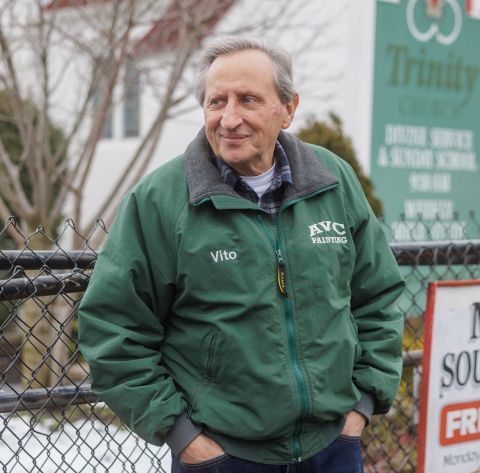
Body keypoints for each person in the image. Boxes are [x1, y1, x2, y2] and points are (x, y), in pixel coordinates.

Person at [78, 37, 405, 473]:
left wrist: (360, 406)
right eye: (217, 102)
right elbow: (111, 328)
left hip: (332, 449)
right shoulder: (160, 201)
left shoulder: (332, 181)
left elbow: (378, 297)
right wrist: (183, 436)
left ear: (287, 108)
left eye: (248, 99)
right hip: (222, 457)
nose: (229, 119)